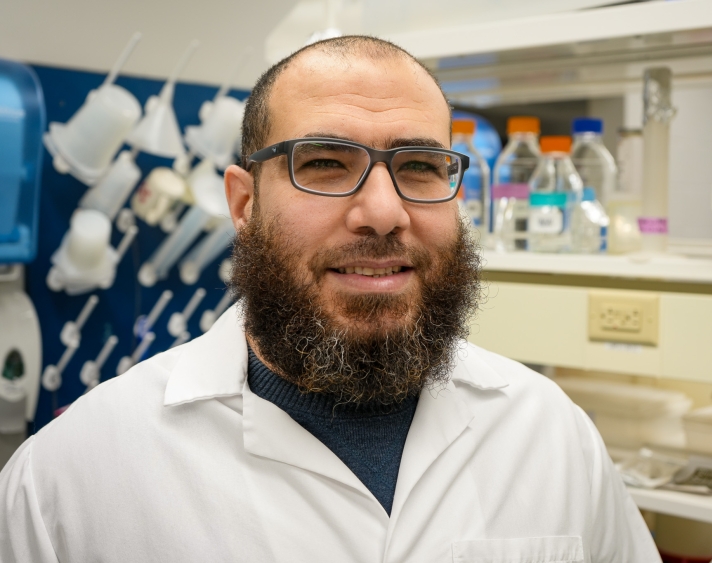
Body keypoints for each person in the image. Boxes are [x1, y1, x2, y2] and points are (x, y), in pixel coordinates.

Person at [0, 36, 660, 562]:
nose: (382, 211)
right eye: (323, 164)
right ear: (244, 204)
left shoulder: (550, 434)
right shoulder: (73, 478)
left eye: (420, 166)